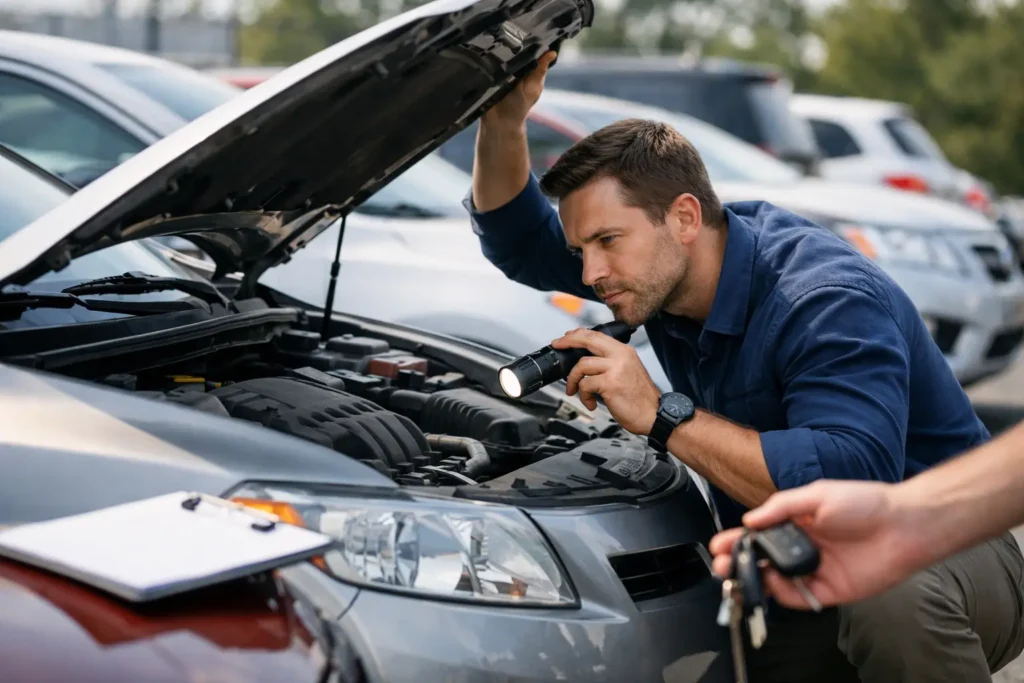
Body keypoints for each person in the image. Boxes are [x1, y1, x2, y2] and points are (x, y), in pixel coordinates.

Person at [465, 50, 1024, 681]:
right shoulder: (658, 267)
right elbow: (517, 237)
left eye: (607, 242)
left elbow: (849, 476)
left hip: (946, 545)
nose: (591, 273)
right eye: (580, 250)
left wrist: (660, 413)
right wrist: (504, 121)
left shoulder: (823, 299)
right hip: (798, 559)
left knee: (890, 601)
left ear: (684, 217)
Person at [710, 420, 1024, 611]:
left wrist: (680, 420)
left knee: (896, 606)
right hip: (804, 571)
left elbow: (845, 470)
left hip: (970, 549)